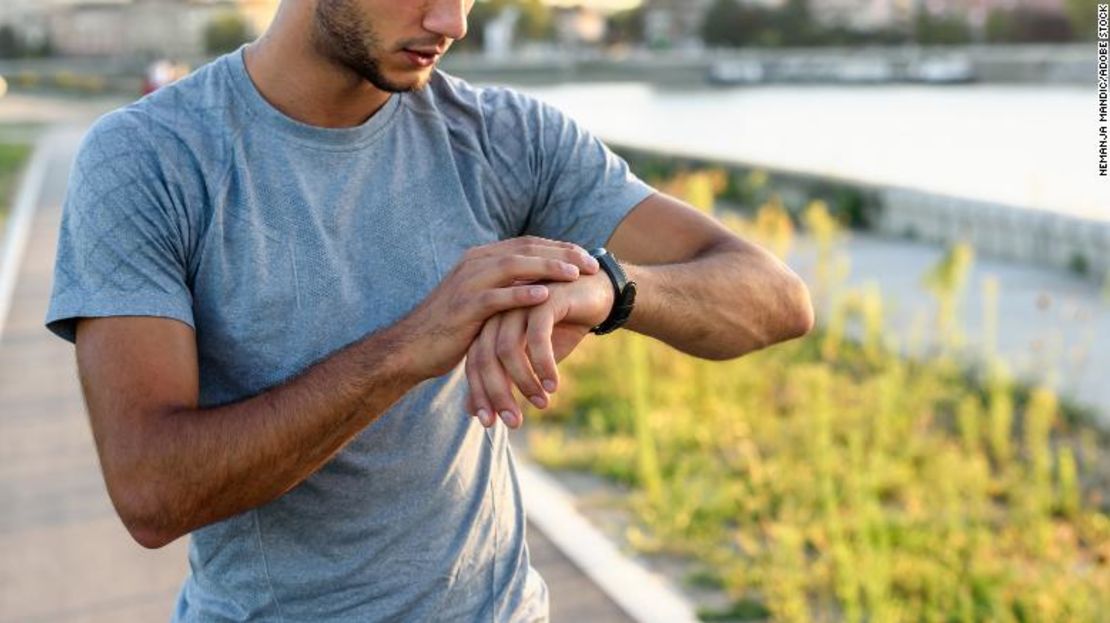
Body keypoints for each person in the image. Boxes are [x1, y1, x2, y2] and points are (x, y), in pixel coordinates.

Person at [44, 0, 815, 620]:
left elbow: (776, 299)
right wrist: (411, 345)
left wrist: (611, 289)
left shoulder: (507, 136)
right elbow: (152, 492)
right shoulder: (148, 159)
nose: (454, 22)